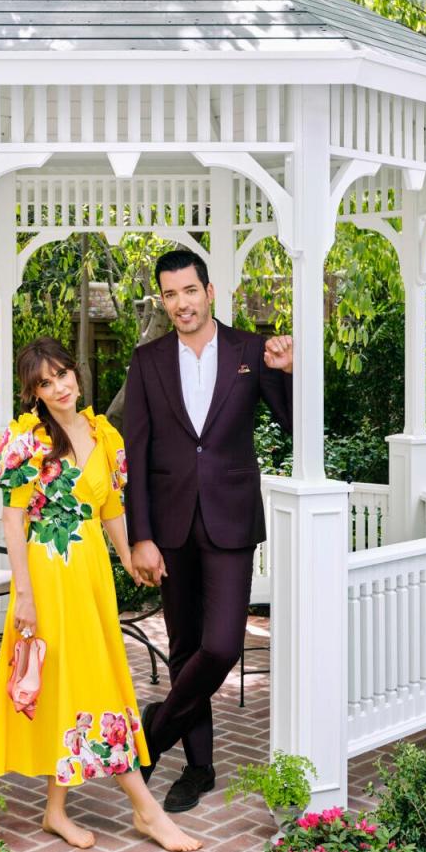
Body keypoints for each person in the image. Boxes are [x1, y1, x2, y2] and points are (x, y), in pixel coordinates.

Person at [0, 336, 202, 852]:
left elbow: (110, 512)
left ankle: (54, 812)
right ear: (33, 392)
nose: (59, 387)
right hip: (48, 579)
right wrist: (26, 596)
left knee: (76, 689)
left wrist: (131, 559)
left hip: (90, 579)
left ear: (76, 375)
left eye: (63, 375)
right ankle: (146, 812)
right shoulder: (27, 439)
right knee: (96, 692)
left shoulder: (103, 434)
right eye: (45, 382)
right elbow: (13, 523)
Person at [124, 249, 293, 813]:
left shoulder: (252, 350)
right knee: (186, 647)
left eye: (189, 291)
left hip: (231, 517)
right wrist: (140, 536)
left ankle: (153, 734)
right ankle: (198, 768)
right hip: (169, 526)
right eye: (170, 295)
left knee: (221, 645)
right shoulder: (147, 360)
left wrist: (291, 373)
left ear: (210, 290)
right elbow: (138, 450)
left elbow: (295, 422)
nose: (181, 304)